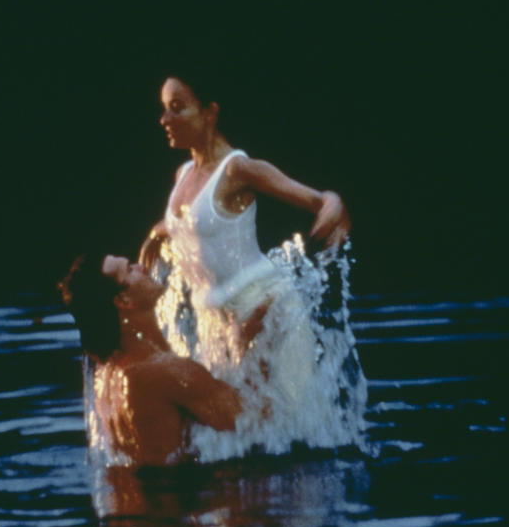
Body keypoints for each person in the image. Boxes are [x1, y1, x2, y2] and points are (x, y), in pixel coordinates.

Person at [135, 74, 367, 457]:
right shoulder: (183, 176)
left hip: (269, 313)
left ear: (210, 112)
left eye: (177, 108)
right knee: (235, 435)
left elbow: (317, 199)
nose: (165, 119)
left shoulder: (238, 169)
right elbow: (192, 221)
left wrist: (334, 206)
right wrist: (157, 234)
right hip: (220, 325)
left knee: (288, 438)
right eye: (164, 109)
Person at [58, 253, 249, 466]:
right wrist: (247, 346)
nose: (143, 267)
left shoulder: (107, 375)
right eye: (130, 269)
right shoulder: (165, 373)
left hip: (131, 495)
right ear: (124, 300)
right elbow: (260, 419)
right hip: (179, 495)